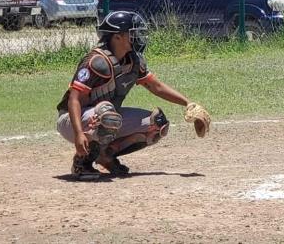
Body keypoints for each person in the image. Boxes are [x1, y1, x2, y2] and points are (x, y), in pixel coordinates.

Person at [56, 11, 202, 180]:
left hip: (104, 116)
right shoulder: (97, 61)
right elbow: (74, 99)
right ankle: (83, 162)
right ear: (117, 37)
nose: (137, 36)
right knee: (107, 113)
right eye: (132, 33)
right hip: (71, 120)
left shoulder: (133, 60)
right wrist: (79, 133)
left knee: (156, 125)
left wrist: (188, 103)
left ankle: (105, 156)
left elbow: (156, 86)